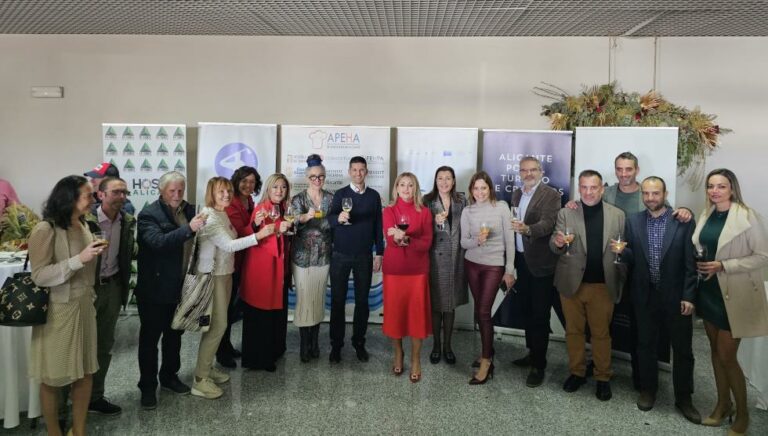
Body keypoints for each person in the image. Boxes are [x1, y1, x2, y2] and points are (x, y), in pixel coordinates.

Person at [565, 151, 692, 388]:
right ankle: (598, 366)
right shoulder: (608, 192)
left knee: (637, 327)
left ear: (637, 171)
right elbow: (589, 201)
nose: (624, 174)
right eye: (619, 169)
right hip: (615, 268)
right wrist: (573, 204)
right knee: (607, 324)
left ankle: (640, 377)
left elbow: (669, 215)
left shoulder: (648, 193)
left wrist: (686, 211)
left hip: (641, 271)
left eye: (629, 169)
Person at [614, 176, 700, 422]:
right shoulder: (633, 221)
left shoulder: (682, 221)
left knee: (682, 350)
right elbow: (632, 257)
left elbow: (690, 263)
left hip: (676, 297)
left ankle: (684, 398)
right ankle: (648, 390)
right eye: (646, 193)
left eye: (655, 193)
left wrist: (689, 296)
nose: (650, 198)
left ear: (665, 194)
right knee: (645, 345)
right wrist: (622, 253)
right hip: (645, 295)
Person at [692, 168, 768, 436]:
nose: (714, 191)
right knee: (714, 352)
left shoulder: (747, 216)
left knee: (727, 356)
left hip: (735, 294)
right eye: (711, 186)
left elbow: (763, 256)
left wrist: (724, 265)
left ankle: (743, 414)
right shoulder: (707, 214)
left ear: (732, 189)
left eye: (721, 186)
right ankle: (723, 405)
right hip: (709, 290)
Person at [28, 175, 104, 436]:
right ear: (69, 198)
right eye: (88, 195)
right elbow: (39, 275)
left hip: (85, 306)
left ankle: (78, 430)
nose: (93, 199)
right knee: (52, 377)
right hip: (58, 311)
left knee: (85, 373)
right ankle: (54, 432)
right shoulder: (45, 229)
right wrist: (79, 259)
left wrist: (90, 257)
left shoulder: (83, 224)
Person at [550, 169, 625, 401]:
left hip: (603, 285)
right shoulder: (567, 212)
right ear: (579, 188)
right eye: (584, 187)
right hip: (571, 283)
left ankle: (603, 377)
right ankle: (577, 372)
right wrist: (558, 242)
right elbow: (554, 245)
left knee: (601, 334)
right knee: (573, 332)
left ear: (602, 189)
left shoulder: (618, 215)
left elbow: (623, 249)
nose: (589, 192)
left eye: (593, 187)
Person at [135, 171, 207, 410]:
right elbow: (158, 243)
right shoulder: (148, 214)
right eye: (172, 191)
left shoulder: (190, 210)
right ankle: (147, 387)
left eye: (180, 190)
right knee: (149, 341)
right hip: (154, 290)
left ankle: (169, 376)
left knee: (174, 336)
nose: (177, 195)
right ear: (161, 190)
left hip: (181, 286)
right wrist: (189, 229)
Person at [191, 177, 267, 399]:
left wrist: (253, 228)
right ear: (211, 194)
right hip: (213, 277)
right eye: (221, 192)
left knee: (216, 326)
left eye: (228, 191)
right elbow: (230, 245)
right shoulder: (209, 216)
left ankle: (206, 369)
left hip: (225, 274)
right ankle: (199, 380)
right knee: (218, 326)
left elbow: (234, 236)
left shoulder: (222, 213)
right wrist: (259, 235)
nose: (226, 195)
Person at [82, 177, 135, 416]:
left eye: (124, 192)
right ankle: (63, 407)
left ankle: (95, 397)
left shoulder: (127, 221)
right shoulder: (85, 221)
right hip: (87, 289)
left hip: (113, 287)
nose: (121, 197)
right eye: (116, 192)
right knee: (78, 347)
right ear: (100, 195)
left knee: (104, 345)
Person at [509, 157, 561, 388]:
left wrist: (528, 229)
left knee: (540, 316)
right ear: (519, 173)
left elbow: (549, 224)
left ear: (541, 171)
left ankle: (539, 366)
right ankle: (532, 353)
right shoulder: (517, 194)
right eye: (524, 170)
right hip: (521, 261)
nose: (528, 174)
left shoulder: (551, 195)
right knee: (527, 311)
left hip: (541, 264)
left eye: (533, 170)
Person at [326, 156, 385, 363]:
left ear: (366, 172)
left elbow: (378, 225)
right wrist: (338, 218)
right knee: (337, 302)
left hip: (364, 256)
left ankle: (359, 343)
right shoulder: (340, 194)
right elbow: (329, 220)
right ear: (349, 171)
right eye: (354, 170)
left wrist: (379, 253)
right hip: (340, 255)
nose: (358, 173)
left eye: (361, 170)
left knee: (362, 302)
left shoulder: (374, 196)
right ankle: (336, 345)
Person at [460, 171, 515, 385]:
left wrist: (509, 270)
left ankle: (486, 361)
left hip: (494, 265)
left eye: (483, 188)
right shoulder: (467, 211)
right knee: (479, 310)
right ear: (471, 190)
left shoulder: (501, 207)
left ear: (490, 188)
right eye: (476, 188)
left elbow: (510, 241)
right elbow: (464, 242)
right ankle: (487, 350)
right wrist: (477, 241)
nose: (480, 192)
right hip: (472, 263)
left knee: (484, 312)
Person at [382, 172, 433, 382]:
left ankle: (415, 359)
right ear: (396, 188)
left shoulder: (425, 212)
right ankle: (398, 353)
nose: (406, 189)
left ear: (415, 188)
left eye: (410, 185)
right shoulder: (388, 211)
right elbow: (390, 240)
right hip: (394, 270)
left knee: (416, 317)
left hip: (417, 271)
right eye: (402, 185)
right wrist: (400, 238)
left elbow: (426, 243)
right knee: (395, 316)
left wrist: (406, 238)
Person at [239, 174, 291, 372]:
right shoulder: (262, 208)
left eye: (283, 187)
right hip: (263, 268)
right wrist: (277, 228)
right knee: (261, 313)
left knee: (276, 312)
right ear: (268, 189)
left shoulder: (285, 208)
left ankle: (275, 350)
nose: (279, 191)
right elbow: (250, 235)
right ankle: (259, 359)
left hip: (279, 267)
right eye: (275, 187)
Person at [290, 155, 334, 362]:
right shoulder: (297, 199)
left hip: (324, 256)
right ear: (307, 178)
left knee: (318, 298)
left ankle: (314, 342)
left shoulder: (332, 198)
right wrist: (302, 218)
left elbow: (336, 223)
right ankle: (304, 344)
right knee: (304, 299)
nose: (317, 180)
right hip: (302, 256)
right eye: (313, 176)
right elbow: (291, 224)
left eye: (321, 176)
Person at [423, 166, 468, 365]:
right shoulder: (426, 201)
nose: (444, 182)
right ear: (435, 181)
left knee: (450, 305)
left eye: (448, 178)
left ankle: (448, 346)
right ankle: (436, 346)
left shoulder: (461, 200)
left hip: (456, 258)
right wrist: (433, 222)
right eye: (440, 178)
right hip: (434, 259)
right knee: (436, 305)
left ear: (454, 180)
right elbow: (421, 229)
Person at [219, 165, 262, 368]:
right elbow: (237, 234)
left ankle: (226, 345)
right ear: (236, 181)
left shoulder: (250, 200)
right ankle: (221, 352)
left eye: (252, 182)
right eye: (244, 181)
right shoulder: (231, 203)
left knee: (232, 310)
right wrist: (255, 227)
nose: (248, 185)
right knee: (225, 310)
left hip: (245, 261)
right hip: (231, 262)